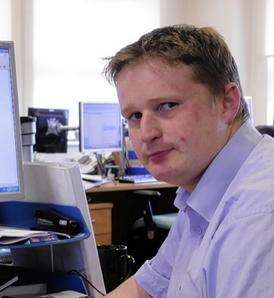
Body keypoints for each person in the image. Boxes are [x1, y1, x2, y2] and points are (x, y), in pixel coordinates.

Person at [103, 24, 274, 297]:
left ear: (227, 103)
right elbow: (148, 286)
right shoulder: (202, 192)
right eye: (135, 116)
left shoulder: (259, 213)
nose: (146, 134)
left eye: (167, 106)